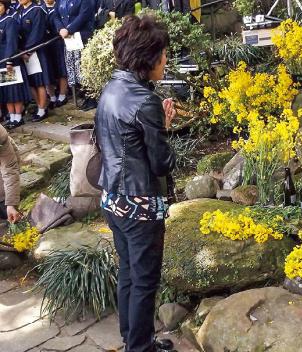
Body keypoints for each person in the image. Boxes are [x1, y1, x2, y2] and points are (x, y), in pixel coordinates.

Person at [95, 15, 176, 352]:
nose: (166, 60)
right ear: (149, 58)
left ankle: (133, 338)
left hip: (112, 198)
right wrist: (164, 126)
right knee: (144, 281)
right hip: (139, 204)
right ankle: (140, 348)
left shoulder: (111, 87)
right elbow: (160, 163)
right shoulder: (146, 101)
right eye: (163, 54)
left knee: (129, 272)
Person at [53, 0, 96, 111]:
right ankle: (85, 95)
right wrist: (60, 28)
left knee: (85, 68)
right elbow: (56, 15)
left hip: (82, 37)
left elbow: (83, 15)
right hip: (68, 39)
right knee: (74, 68)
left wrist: (69, 29)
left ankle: (92, 98)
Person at [0, 0, 30, 130]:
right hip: (1, 61)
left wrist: (9, 60)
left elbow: (12, 41)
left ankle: (18, 116)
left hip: (9, 60)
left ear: (5, 6)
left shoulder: (9, 20)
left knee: (14, 90)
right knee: (6, 91)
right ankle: (11, 116)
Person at [43, 0, 68, 108]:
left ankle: (62, 95)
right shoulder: (40, 9)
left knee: (62, 69)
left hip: (58, 41)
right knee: (48, 70)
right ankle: (52, 97)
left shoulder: (60, 6)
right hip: (45, 43)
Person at [0, 124, 23, 223]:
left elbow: (9, 170)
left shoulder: (1, 137)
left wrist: (10, 204)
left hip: (5, 157)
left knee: (6, 208)